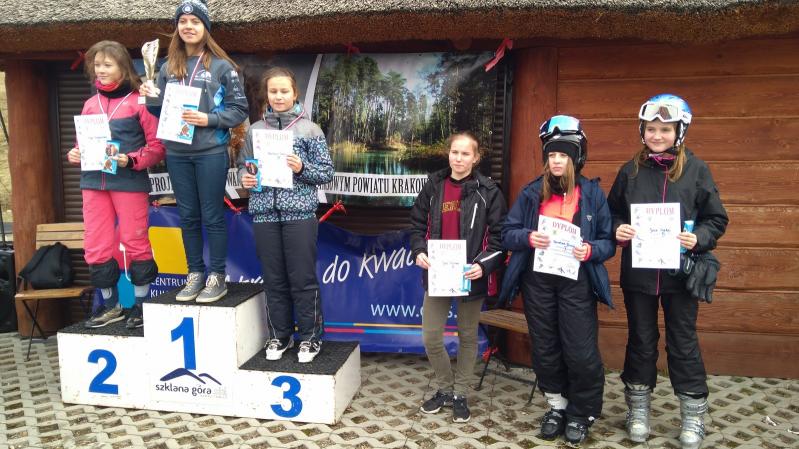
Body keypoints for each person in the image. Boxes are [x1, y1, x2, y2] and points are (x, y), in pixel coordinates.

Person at [607, 94, 728, 449]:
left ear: (679, 132)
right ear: (642, 131)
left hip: (680, 276)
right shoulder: (629, 171)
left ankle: (693, 414)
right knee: (641, 341)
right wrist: (617, 229)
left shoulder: (696, 170)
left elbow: (716, 218)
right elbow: (611, 213)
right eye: (651, 129)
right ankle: (638, 410)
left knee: (683, 342)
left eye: (665, 130)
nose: (657, 135)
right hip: (640, 275)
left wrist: (698, 237)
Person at [499, 115, 614, 445]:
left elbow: (608, 242)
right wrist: (527, 237)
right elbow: (507, 233)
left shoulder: (592, 194)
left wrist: (590, 250)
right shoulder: (531, 192)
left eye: (563, 155)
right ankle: (557, 406)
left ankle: (581, 412)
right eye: (552, 155)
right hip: (538, 281)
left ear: (575, 158)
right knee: (545, 348)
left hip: (576, 282)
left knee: (580, 351)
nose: (557, 161)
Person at [142, 0, 249, 303]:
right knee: (188, 216)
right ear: (177, 28)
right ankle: (195, 274)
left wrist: (209, 119)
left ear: (205, 28)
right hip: (177, 152)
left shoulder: (221, 66)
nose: (188, 26)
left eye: (195, 21)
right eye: (183, 22)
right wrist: (149, 96)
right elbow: (159, 111)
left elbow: (239, 109)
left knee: (212, 215)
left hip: (210, 151)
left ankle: (217, 276)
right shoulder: (166, 67)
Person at [409, 132, 507, 424]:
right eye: (455, 152)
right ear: (448, 154)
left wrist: (483, 266)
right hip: (438, 273)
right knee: (430, 336)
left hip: (470, 274)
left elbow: (500, 239)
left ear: (476, 158)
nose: (459, 158)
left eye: (466, 154)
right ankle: (444, 388)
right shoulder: (434, 185)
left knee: (467, 335)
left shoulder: (489, 191)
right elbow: (417, 225)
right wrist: (419, 251)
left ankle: (460, 394)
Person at [238, 67, 334, 363]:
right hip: (264, 213)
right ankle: (279, 335)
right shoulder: (255, 130)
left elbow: (326, 173)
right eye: (273, 91)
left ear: (295, 93)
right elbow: (244, 166)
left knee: (302, 278)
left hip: (300, 213)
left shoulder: (310, 130)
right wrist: (246, 178)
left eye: (284, 91)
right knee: (273, 278)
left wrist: (301, 168)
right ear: (266, 95)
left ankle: (309, 337)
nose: (278, 96)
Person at [67, 40, 165, 329]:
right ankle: (111, 306)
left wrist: (131, 160)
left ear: (123, 67)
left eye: (107, 65)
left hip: (128, 182)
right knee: (96, 245)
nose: (101, 70)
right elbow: (81, 145)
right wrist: (74, 153)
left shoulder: (139, 102)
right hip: (93, 183)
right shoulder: (90, 104)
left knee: (135, 241)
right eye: (97, 65)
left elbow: (157, 147)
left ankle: (141, 306)